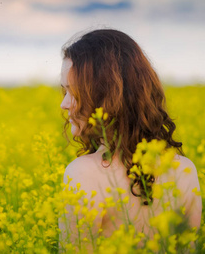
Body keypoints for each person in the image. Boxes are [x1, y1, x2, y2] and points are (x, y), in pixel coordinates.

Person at [58, 29, 202, 252]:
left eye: (73, 92)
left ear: (104, 95)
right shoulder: (185, 170)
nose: (64, 104)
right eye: (64, 91)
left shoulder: (82, 173)